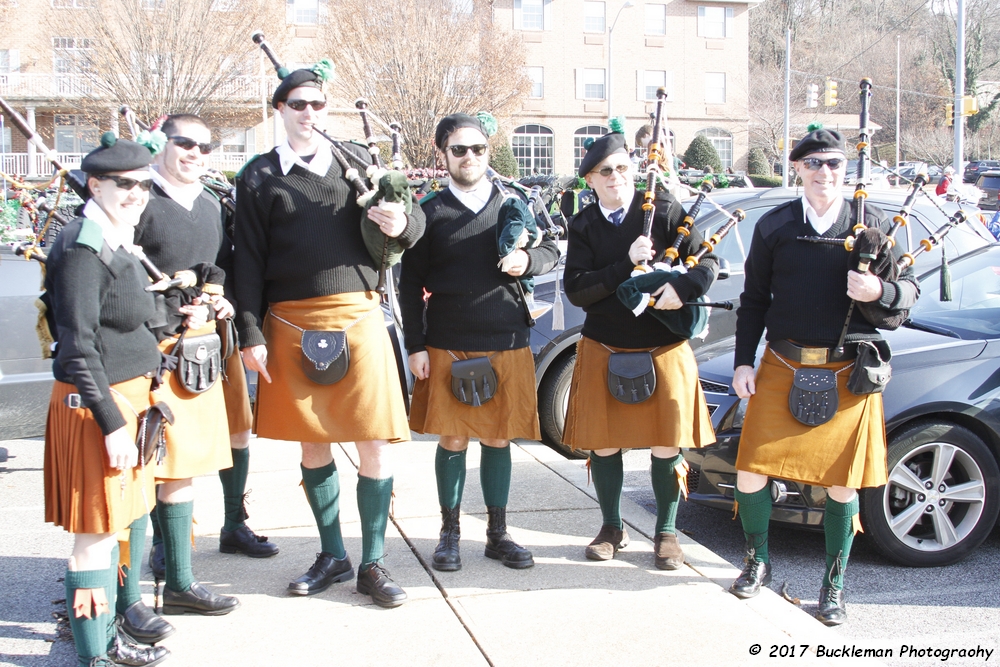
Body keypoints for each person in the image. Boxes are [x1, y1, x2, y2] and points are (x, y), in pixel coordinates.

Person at [234, 65, 425, 607]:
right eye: (297, 104)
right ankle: (331, 553)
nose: (308, 114)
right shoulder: (258, 176)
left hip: (359, 314)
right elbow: (245, 259)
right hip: (290, 320)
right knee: (313, 442)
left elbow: (412, 225)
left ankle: (373, 563)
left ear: (327, 109)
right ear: (280, 110)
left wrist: (400, 225)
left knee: (373, 445)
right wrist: (250, 331)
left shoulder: (358, 167)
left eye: (317, 104)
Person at [729, 127, 919, 625]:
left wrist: (878, 291)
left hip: (848, 371)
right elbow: (753, 301)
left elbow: (907, 294)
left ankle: (833, 586)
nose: (824, 173)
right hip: (784, 363)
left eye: (833, 164)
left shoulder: (874, 225)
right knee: (750, 470)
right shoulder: (775, 226)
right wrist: (743, 361)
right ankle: (757, 562)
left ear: (845, 169)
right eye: (813, 164)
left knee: (843, 486)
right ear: (797, 168)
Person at [399, 113, 560, 572]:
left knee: (497, 437)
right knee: (452, 438)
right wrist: (416, 346)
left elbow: (550, 251)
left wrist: (528, 258)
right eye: (459, 150)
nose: (469, 157)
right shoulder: (427, 213)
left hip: (507, 337)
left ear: (489, 152)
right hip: (448, 340)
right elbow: (408, 286)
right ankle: (449, 534)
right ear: (443, 154)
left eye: (478, 149)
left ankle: (497, 534)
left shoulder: (515, 203)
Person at [562, 130, 718, 570]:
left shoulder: (664, 209)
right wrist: (624, 265)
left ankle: (667, 533)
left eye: (623, 168)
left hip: (663, 345)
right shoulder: (584, 225)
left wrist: (682, 287)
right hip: (604, 343)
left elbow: (706, 261)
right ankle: (612, 527)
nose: (616, 178)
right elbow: (578, 290)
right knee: (604, 445)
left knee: (667, 445)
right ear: (590, 180)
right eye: (605, 172)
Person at [43, 133, 170, 666]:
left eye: (144, 184)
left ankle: (111, 624)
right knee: (95, 532)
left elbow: (126, 319)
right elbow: (77, 346)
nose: (136, 193)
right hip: (100, 407)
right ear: (94, 184)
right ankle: (96, 654)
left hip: (130, 398)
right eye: (124, 184)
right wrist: (112, 422)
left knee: (126, 514)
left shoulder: (116, 237)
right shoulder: (83, 246)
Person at [128, 114, 256, 632]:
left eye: (206, 146)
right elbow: (119, 277)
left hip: (203, 348)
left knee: (184, 467)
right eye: (185, 143)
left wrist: (216, 303)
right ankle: (149, 573)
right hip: (151, 351)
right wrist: (168, 312)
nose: (196, 153)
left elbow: (217, 269)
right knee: (148, 467)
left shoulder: (208, 205)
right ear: (163, 144)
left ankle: (180, 578)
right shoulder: (138, 200)